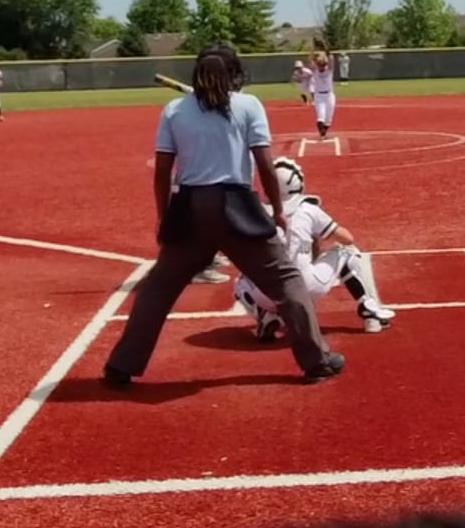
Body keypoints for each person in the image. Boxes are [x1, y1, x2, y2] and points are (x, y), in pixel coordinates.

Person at [103, 44, 343, 387]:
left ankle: (121, 366)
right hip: (237, 208)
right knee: (286, 281)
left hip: (189, 208)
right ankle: (316, 362)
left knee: (158, 288)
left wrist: (164, 216)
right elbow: (264, 164)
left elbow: (163, 171)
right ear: (234, 74)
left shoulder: (174, 110)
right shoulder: (248, 105)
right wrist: (277, 211)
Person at [234, 157, 395, 340]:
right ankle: (370, 311)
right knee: (347, 251)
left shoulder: (258, 212)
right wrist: (313, 235)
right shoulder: (308, 209)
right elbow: (347, 238)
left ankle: (266, 316)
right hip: (305, 288)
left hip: (267, 292)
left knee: (241, 281)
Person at [308, 47, 337, 139]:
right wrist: (312, 51)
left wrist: (326, 49)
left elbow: (331, 58)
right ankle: (322, 134)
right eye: (320, 65)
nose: (321, 67)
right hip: (319, 96)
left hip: (329, 96)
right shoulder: (315, 71)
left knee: (328, 119)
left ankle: (324, 132)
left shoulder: (329, 70)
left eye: (323, 65)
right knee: (321, 116)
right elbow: (310, 61)